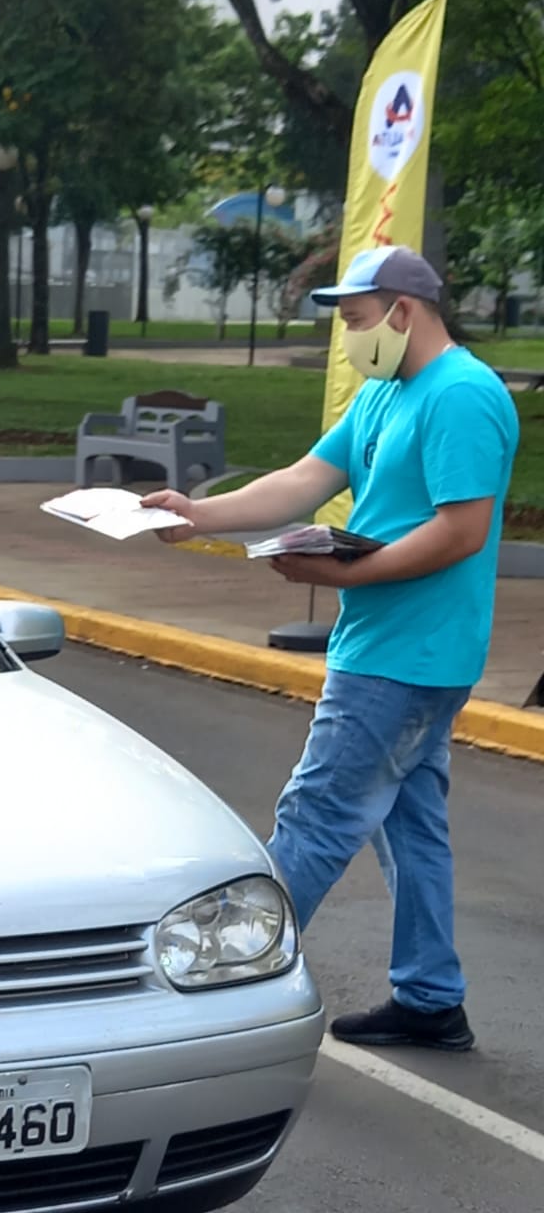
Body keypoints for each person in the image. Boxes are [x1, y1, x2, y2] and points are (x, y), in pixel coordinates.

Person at [141, 246, 519, 1052]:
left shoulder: (462, 396)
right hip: (395, 646)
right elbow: (303, 479)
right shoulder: (387, 391)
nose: (347, 337)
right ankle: (430, 997)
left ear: (402, 311)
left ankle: (226, 995)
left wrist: (345, 572)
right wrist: (196, 514)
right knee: (410, 825)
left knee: (314, 817)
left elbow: (462, 531)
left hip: (405, 655)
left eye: (354, 319)